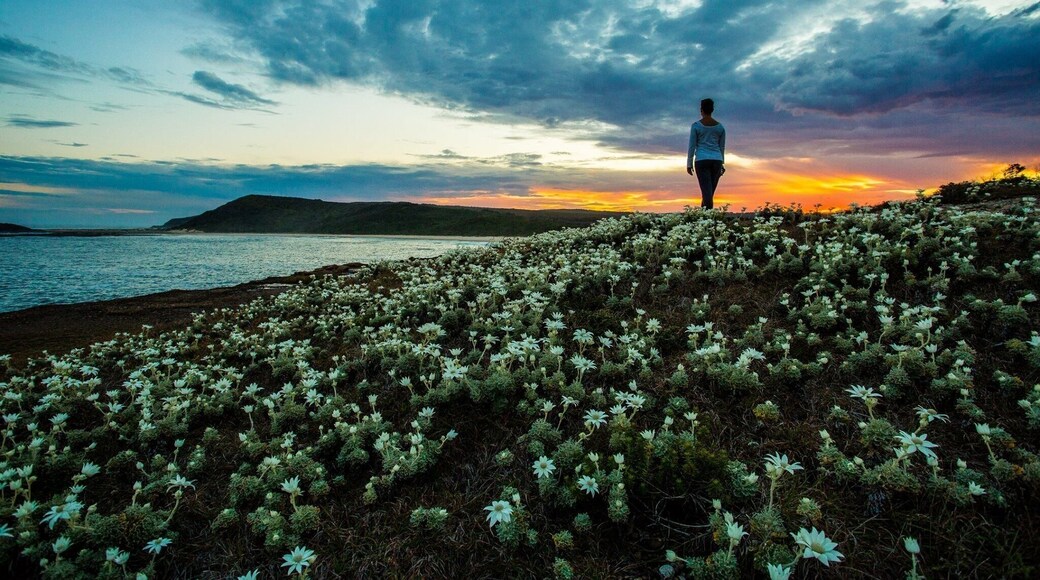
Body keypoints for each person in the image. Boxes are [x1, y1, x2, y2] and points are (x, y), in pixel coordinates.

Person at [686, 98, 726, 209]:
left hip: (701, 160)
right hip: (716, 160)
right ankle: (704, 219)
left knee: (707, 193)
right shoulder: (720, 127)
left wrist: (689, 163)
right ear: (712, 110)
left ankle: (707, 219)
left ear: (701, 110)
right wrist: (722, 163)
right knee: (709, 192)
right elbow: (722, 147)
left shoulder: (696, 126)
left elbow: (692, 145)